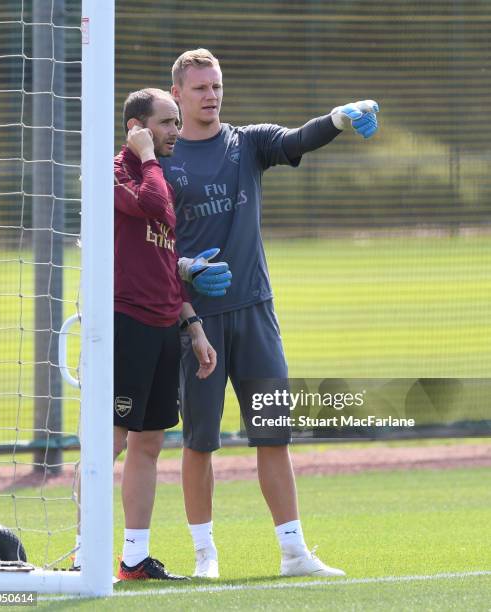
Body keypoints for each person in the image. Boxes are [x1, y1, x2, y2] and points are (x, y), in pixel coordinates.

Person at [159, 49, 379, 579]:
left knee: (274, 432)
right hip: (196, 322)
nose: (211, 95)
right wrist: (187, 271)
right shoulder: (162, 160)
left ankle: (294, 553)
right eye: (200, 88)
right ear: (178, 96)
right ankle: (205, 557)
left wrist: (339, 117)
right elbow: (151, 245)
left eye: (216, 85)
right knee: (199, 442)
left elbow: (297, 139)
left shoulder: (246, 143)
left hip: (256, 312)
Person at [74, 87, 231, 581]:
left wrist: (193, 325)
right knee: (111, 441)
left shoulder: (155, 172)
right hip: (128, 323)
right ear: (136, 127)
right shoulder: (118, 170)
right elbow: (155, 206)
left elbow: (166, 265)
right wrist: (145, 157)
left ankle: (134, 558)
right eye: (166, 122)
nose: (176, 131)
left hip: (165, 325)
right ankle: (84, 552)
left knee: (149, 444)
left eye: (175, 122)